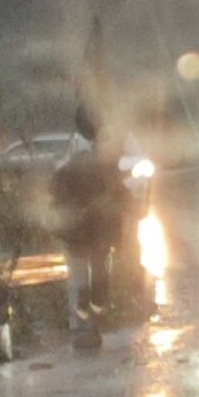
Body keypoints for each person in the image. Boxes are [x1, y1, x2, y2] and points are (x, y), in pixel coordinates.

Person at [49, 105, 131, 349]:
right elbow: (119, 193)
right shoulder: (95, 158)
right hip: (87, 232)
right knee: (90, 279)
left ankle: (86, 327)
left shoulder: (77, 157)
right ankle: (88, 326)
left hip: (86, 232)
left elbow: (57, 192)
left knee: (85, 279)